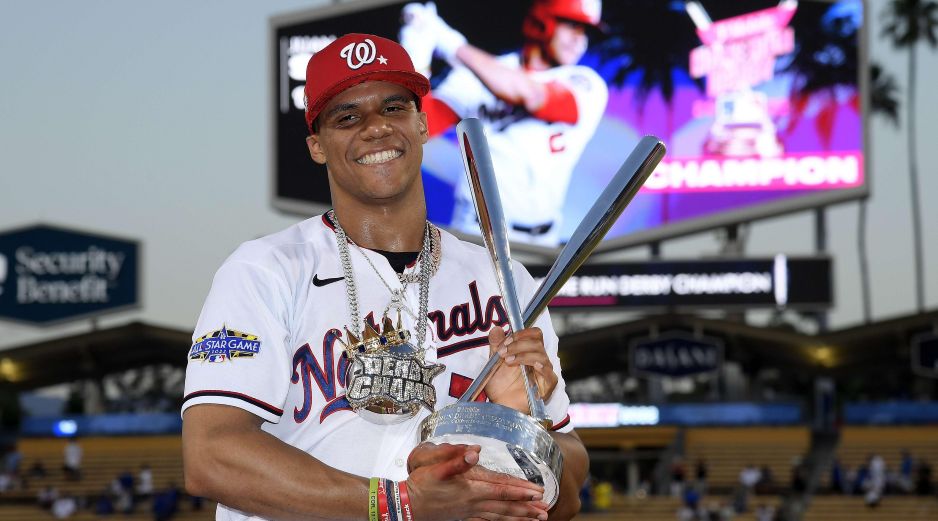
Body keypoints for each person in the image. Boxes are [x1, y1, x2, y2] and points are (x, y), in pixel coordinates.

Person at [181, 33, 588, 521]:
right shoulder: (265, 271)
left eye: (394, 108)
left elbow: (568, 489)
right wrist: (401, 503)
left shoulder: (506, 283)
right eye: (347, 117)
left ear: (421, 123)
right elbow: (211, 455)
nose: (376, 128)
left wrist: (520, 421)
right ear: (317, 145)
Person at [399, 0, 608, 245]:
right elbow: (418, 130)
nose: (579, 40)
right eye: (572, 25)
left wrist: (450, 42)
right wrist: (415, 63)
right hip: (476, 233)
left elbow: (533, 96)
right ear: (542, 21)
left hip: (542, 242)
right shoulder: (477, 76)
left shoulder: (585, 83)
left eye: (586, 32)